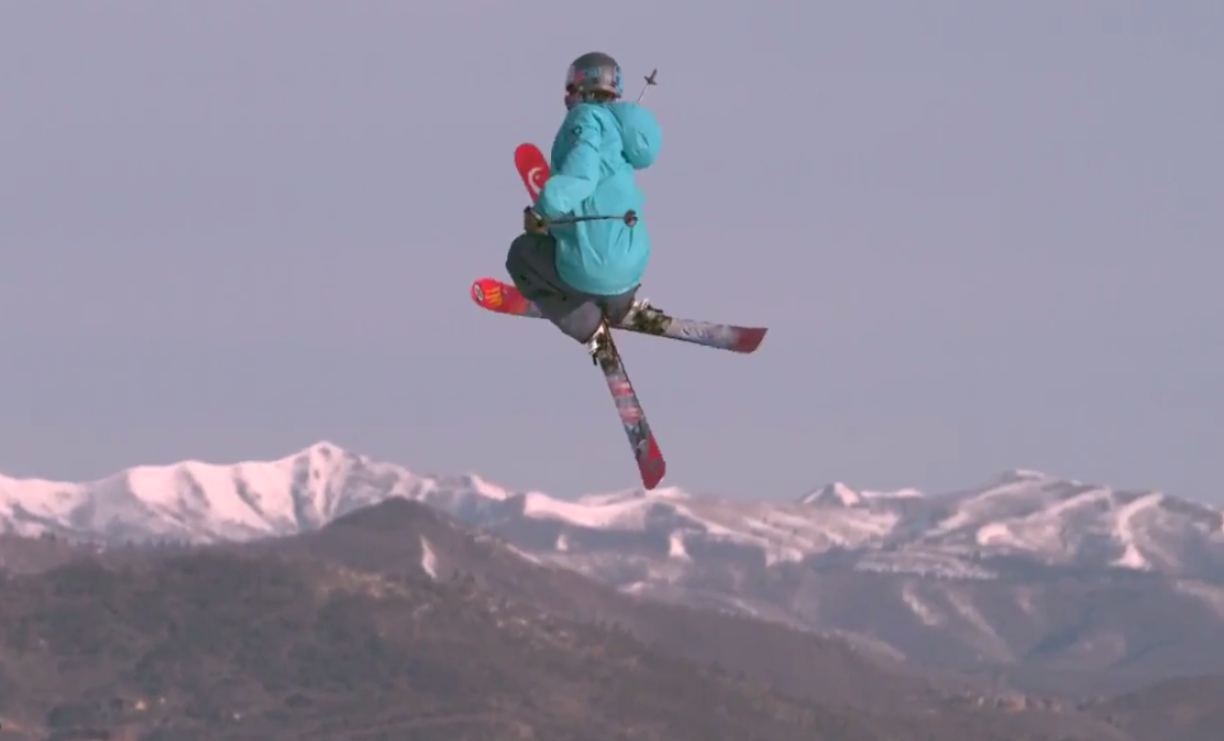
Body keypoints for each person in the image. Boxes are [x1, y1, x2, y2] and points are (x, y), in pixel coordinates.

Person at [505, 51, 663, 363]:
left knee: (521, 256)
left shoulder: (585, 119)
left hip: (588, 268)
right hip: (631, 267)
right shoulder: (620, 132)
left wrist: (542, 211)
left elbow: (582, 176)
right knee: (590, 249)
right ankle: (619, 307)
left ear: (581, 85)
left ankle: (587, 324)